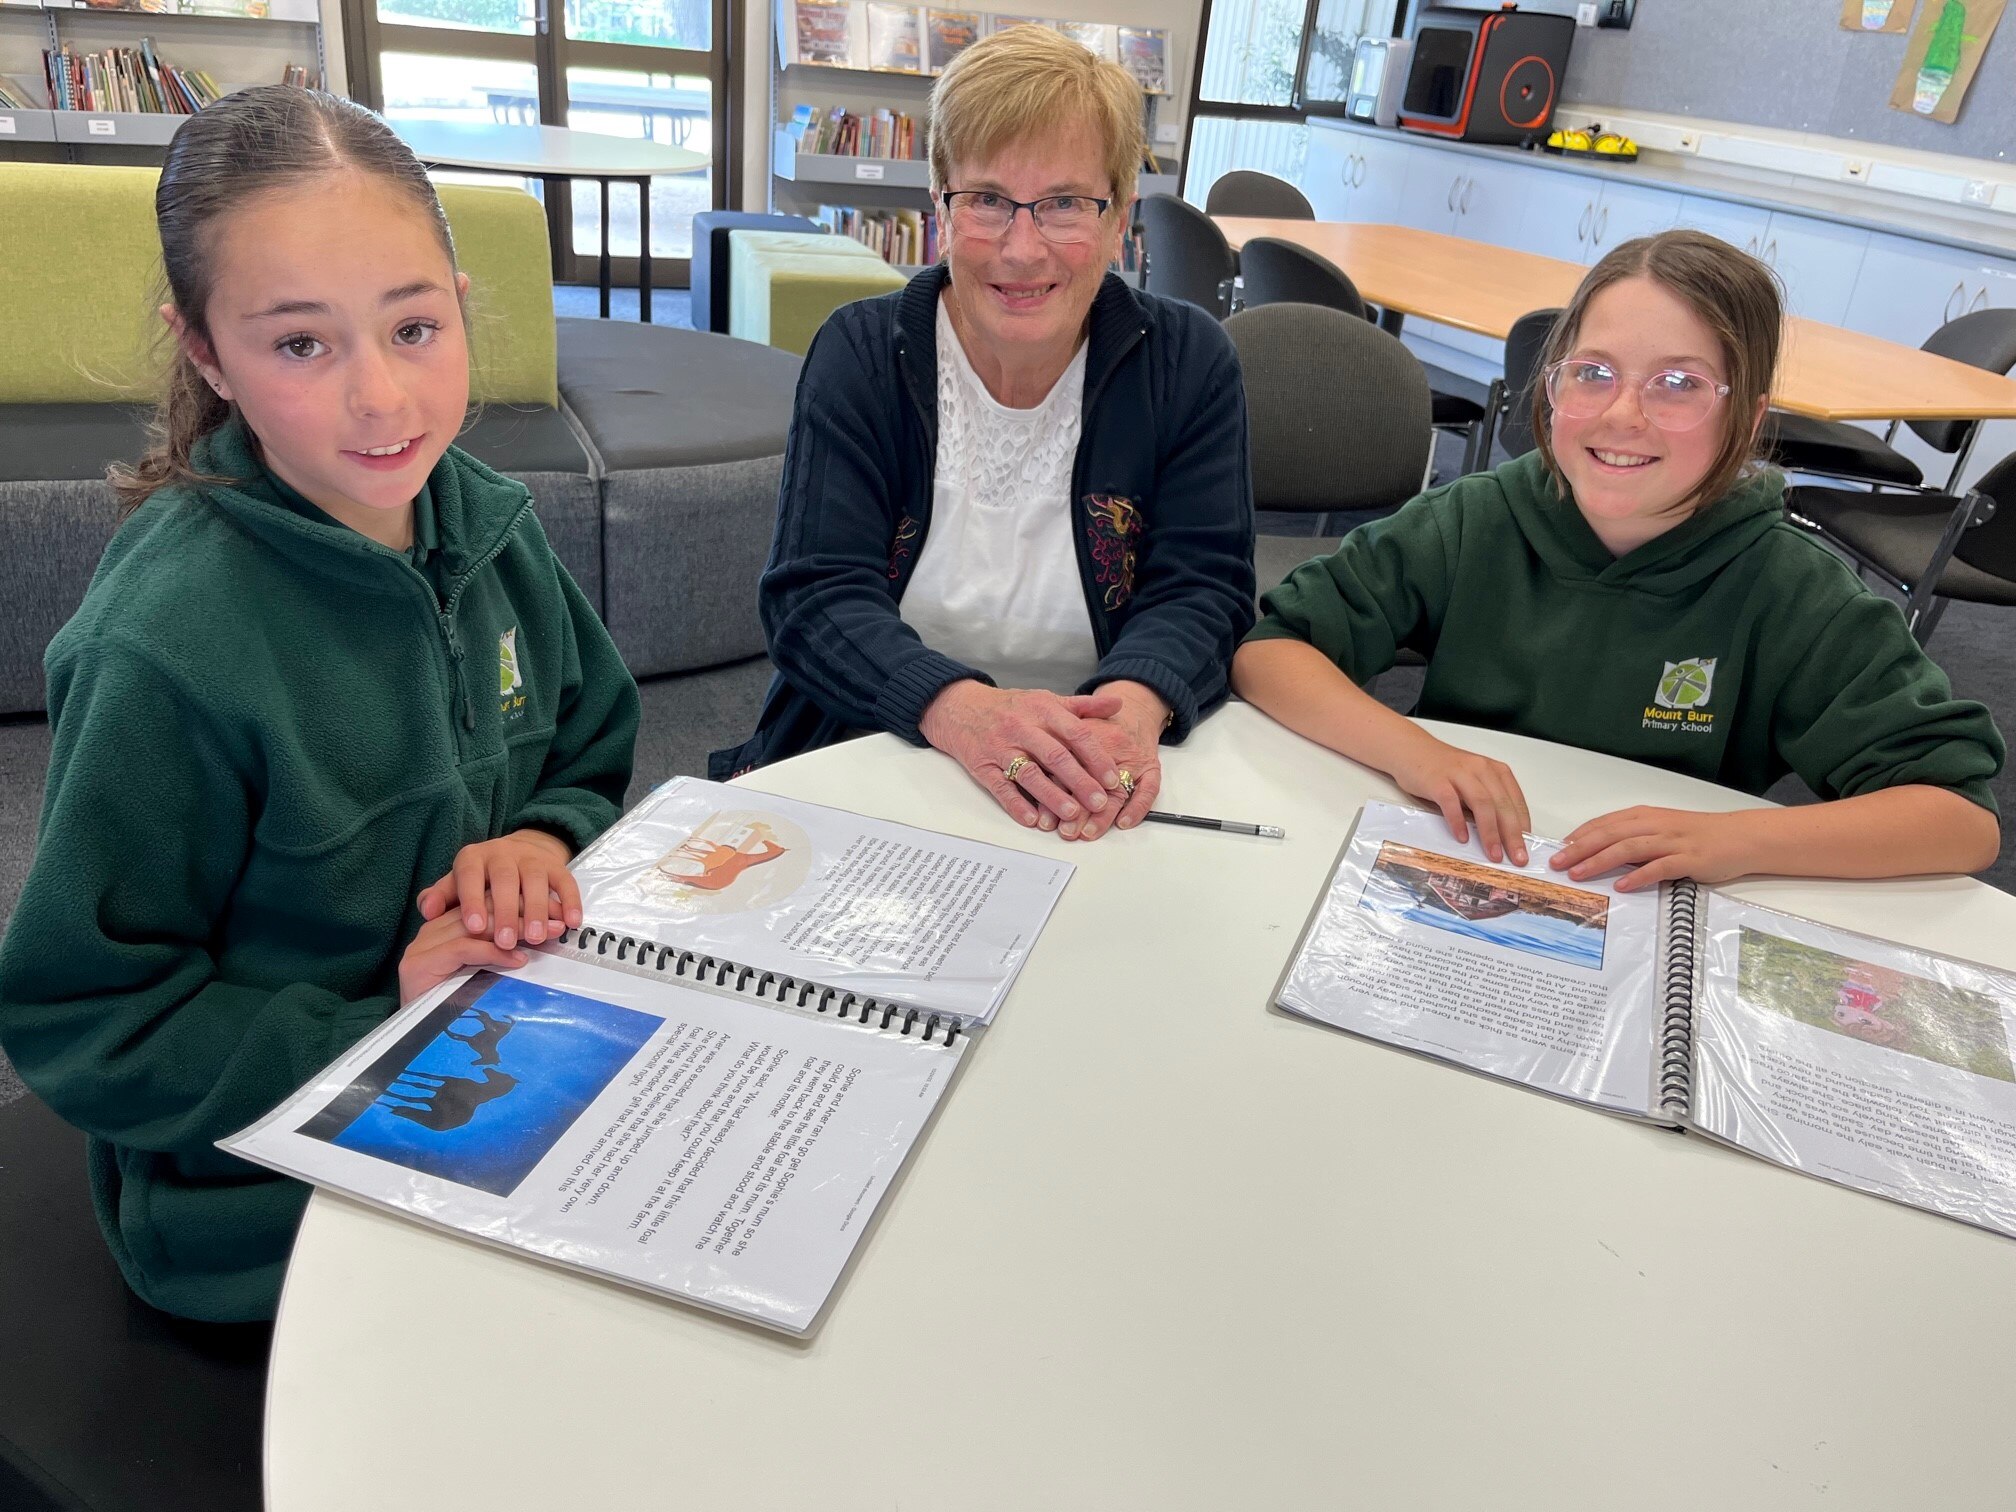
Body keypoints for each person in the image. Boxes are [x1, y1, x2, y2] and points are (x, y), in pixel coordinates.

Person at [0, 87, 640, 1323]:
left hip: (503, 1060)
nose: (383, 401)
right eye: (301, 344)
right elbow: (84, 1019)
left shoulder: (487, 523)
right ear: (205, 352)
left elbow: (592, 740)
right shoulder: (166, 647)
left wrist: (540, 834)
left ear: (460, 298)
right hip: (263, 1195)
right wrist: (380, 1025)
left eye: (411, 327)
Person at [1233, 229, 2001, 890]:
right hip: (1457, 861)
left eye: (1680, 385)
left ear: (1750, 416)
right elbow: (1274, 652)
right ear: (1553, 384)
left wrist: (1737, 840)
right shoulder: (1475, 520)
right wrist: (1415, 751)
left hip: (1652, 907)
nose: (1624, 415)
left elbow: (1961, 818)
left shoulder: (1792, 590)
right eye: (1593, 373)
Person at [712, 24, 1255, 841]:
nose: (1023, 247)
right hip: (872, 747)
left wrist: (1133, 708)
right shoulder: (862, 353)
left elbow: (1204, 589)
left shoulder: (1188, 363)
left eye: (1067, 203)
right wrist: (964, 714)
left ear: (1120, 220)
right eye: (989, 200)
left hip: (1096, 780)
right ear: (939, 208)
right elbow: (812, 599)